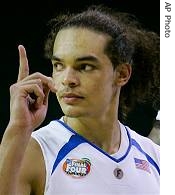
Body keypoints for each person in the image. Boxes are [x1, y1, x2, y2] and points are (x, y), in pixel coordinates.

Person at [0, 5, 160, 195]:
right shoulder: (33, 152)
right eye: (58, 65)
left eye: (84, 66)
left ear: (122, 74)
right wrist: (18, 129)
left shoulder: (154, 157)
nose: (67, 79)